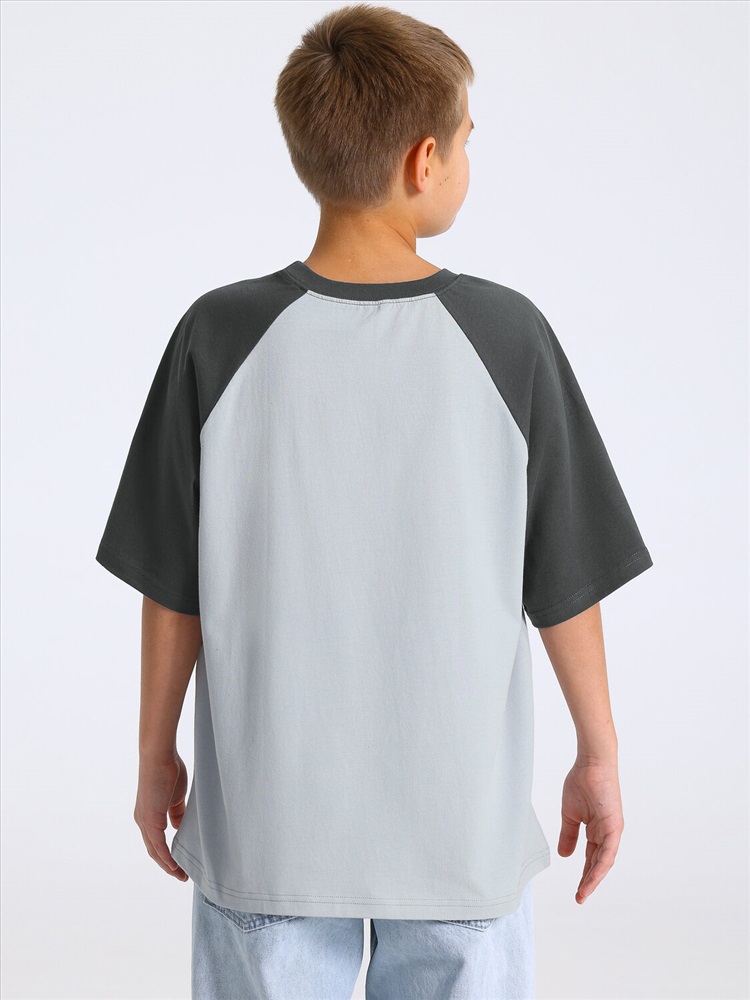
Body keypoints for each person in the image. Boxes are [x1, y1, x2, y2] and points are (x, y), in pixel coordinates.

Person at [95, 4, 654, 998]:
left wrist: (155, 753)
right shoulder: (508, 337)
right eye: (468, 140)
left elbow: (171, 584)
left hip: (268, 825)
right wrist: (598, 754)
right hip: (458, 834)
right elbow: (566, 577)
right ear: (424, 161)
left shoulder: (217, 337)